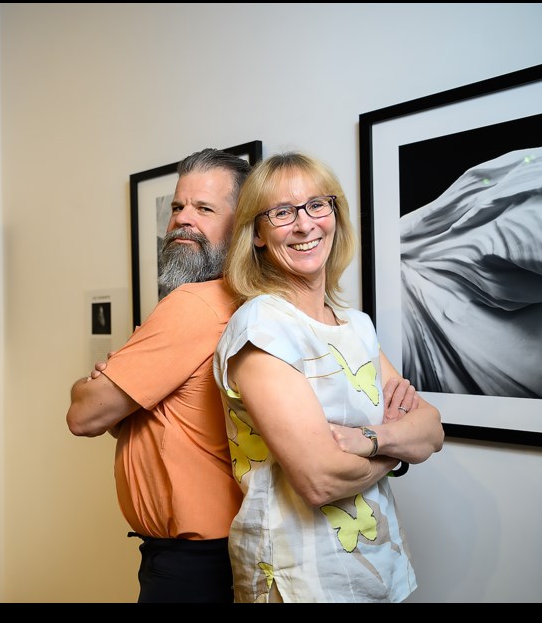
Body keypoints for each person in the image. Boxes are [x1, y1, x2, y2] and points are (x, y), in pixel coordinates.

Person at [213, 151, 445, 603]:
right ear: (256, 235)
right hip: (299, 577)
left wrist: (366, 439)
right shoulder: (261, 327)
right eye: (281, 213)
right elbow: (319, 480)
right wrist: (396, 449)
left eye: (318, 205)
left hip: (379, 566)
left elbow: (432, 429)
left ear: (334, 214)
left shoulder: (354, 325)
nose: (304, 225)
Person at [66, 147, 251, 602]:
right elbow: (156, 422)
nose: (182, 219)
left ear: (242, 225)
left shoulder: (193, 305)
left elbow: (84, 415)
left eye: (204, 208)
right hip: (218, 554)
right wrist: (120, 403)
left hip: (193, 566)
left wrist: (97, 385)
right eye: (176, 206)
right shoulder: (244, 303)